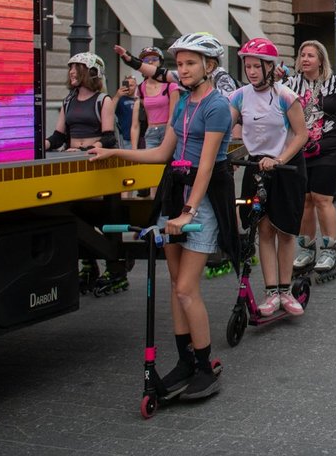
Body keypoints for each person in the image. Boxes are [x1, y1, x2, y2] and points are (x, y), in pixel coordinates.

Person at [89, 32, 234, 400]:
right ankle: (185, 361)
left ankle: (205, 367)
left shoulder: (217, 106)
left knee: (187, 288)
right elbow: (162, 154)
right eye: (179, 63)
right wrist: (115, 154)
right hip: (175, 192)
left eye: (190, 63)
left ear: (209, 66)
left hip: (201, 200)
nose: (182, 70)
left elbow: (206, 166)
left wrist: (188, 212)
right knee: (175, 286)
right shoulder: (182, 103)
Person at [228, 38, 308, 316]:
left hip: (286, 166)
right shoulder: (239, 96)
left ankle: (286, 291)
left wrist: (279, 159)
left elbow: (301, 135)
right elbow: (225, 128)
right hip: (256, 166)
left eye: (256, 66)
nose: (251, 71)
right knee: (263, 229)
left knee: (285, 231)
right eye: (247, 66)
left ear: (269, 67)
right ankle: (271, 292)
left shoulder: (285, 96)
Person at [285, 41, 336, 281]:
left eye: (310, 55)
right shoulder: (290, 85)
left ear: (321, 60)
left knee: (321, 198)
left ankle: (329, 250)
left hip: (330, 147)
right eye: (302, 55)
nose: (305, 59)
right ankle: (307, 249)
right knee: (305, 200)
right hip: (300, 149)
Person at [44, 53, 124, 294]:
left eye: (77, 68)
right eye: (71, 68)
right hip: (74, 163)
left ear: (91, 72)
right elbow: (58, 136)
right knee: (76, 214)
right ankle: (88, 264)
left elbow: (108, 138)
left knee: (107, 215)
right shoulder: (68, 100)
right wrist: (41, 144)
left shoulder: (103, 100)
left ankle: (115, 267)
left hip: (96, 162)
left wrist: (85, 149)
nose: (71, 72)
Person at [132, 46, 181, 151]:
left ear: (160, 62)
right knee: (150, 160)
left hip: (168, 130)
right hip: (151, 131)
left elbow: (173, 116)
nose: (150, 62)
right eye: (146, 60)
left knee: (168, 159)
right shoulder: (140, 88)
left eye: (154, 59)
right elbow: (135, 123)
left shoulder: (171, 85)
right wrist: (134, 149)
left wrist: (167, 139)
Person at [114, 76, 138, 149]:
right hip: (124, 138)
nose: (129, 88)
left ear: (136, 86)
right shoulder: (120, 99)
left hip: (139, 138)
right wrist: (117, 96)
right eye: (127, 85)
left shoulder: (139, 100)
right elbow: (109, 111)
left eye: (131, 85)